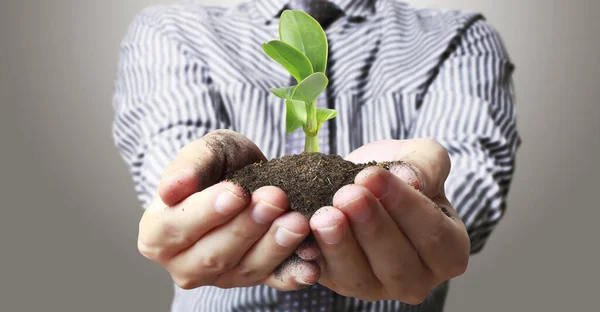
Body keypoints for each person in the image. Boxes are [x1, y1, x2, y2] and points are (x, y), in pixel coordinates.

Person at [112, 0, 520, 311]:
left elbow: (469, 182)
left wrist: (420, 205)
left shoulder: (457, 36)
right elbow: (174, 183)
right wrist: (194, 210)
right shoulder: (172, 30)